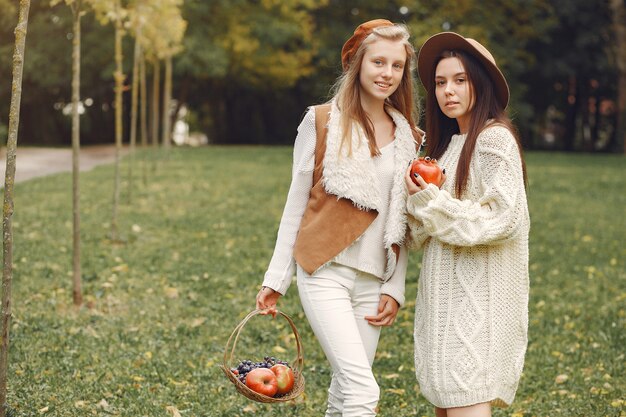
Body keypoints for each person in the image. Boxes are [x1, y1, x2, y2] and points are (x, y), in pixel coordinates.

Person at [256, 19, 421, 417]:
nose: (387, 74)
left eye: (396, 66)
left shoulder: (409, 137)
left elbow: (402, 219)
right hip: (324, 270)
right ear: (358, 64)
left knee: (345, 394)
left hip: (373, 281)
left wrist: (394, 287)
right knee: (363, 391)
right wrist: (276, 279)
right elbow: (295, 204)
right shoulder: (320, 121)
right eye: (378, 62)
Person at [404, 32, 530, 417]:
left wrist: (430, 201)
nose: (448, 91)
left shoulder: (494, 140)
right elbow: (422, 235)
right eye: (440, 83)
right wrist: (416, 201)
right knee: (447, 406)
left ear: (481, 82)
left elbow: (501, 219)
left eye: (460, 80)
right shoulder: (445, 148)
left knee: (466, 401)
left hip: (478, 307)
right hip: (442, 304)